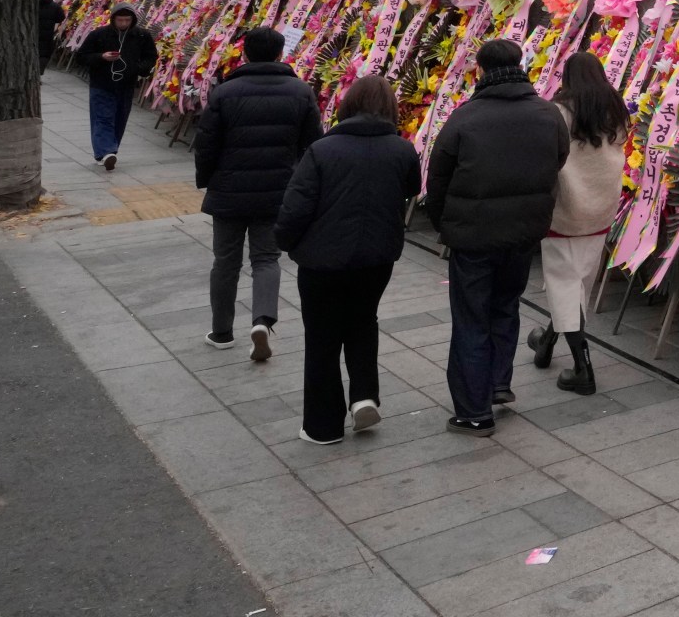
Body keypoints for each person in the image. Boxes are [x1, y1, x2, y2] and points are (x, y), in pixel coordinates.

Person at [422, 38, 568, 435]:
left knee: (471, 319)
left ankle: (473, 411)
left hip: (473, 237)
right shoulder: (547, 113)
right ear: (520, 63)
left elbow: (436, 181)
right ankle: (498, 384)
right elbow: (558, 160)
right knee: (505, 308)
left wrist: (445, 226)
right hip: (522, 233)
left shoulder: (465, 118)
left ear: (481, 70)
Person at [274, 75, 420, 445]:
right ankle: (364, 396)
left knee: (322, 336)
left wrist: (286, 242)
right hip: (377, 257)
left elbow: (296, 206)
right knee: (362, 322)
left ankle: (323, 426)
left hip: (322, 260)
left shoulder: (322, 150)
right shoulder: (402, 150)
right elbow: (412, 191)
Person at [194, 26, 322, 361]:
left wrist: (207, 180)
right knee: (266, 258)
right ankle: (262, 321)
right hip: (278, 189)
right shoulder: (301, 91)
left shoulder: (225, 92)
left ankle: (221, 331)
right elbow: (313, 144)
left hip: (229, 189)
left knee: (225, 261)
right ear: (281, 54)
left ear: (245, 53)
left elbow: (206, 144)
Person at [527, 53, 627, 396]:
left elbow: (546, 155)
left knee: (564, 282)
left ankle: (582, 367)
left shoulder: (559, 110)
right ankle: (546, 342)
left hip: (566, 210)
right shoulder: (615, 108)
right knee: (577, 281)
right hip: (600, 209)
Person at [73, 5, 157, 171]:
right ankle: (106, 151)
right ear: (113, 19)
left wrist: (138, 68)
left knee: (120, 117)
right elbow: (81, 56)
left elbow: (151, 57)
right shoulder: (99, 34)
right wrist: (101, 57)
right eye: (120, 20)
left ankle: (107, 152)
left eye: (127, 20)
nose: (124, 23)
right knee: (103, 118)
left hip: (126, 84)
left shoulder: (141, 35)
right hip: (102, 84)